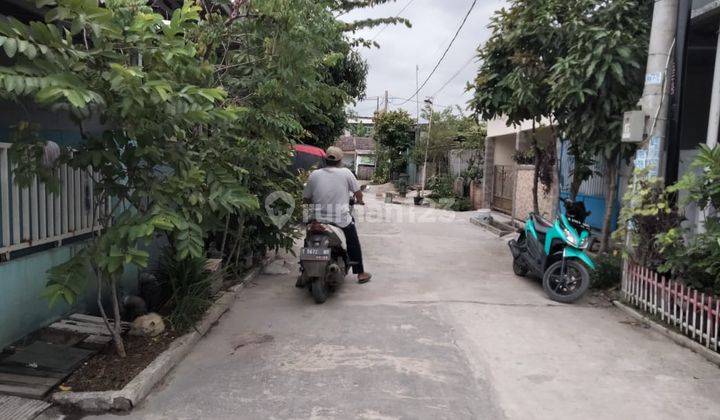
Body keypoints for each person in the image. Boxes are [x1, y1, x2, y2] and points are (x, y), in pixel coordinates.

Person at [303, 146, 372, 284]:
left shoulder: (314, 174)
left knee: (308, 239)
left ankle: (303, 273)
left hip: (318, 219)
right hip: (341, 219)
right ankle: (360, 273)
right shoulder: (346, 173)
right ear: (340, 160)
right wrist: (360, 201)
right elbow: (358, 193)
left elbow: (306, 198)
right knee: (353, 241)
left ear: (325, 159)